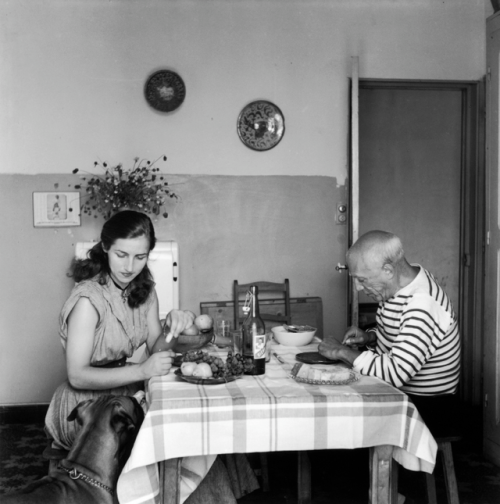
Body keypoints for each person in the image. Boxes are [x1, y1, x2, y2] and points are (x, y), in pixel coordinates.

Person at [45, 210, 258, 503]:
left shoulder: (144, 291)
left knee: (189, 426)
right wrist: (142, 372)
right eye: (121, 254)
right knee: (173, 436)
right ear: (105, 247)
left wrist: (172, 327)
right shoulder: (88, 300)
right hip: (83, 405)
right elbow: (78, 375)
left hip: (124, 391)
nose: (130, 266)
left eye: (140, 257)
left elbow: (156, 348)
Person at [319, 230, 461, 436]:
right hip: (406, 394)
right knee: (335, 402)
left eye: (361, 279)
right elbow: (404, 334)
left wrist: (342, 352)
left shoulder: (422, 302)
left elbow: (395, 374)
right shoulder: (401, 285)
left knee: (338, 424)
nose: (357, 287)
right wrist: (370, 336)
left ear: (388, 270)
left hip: (427, 407)